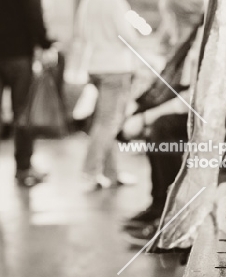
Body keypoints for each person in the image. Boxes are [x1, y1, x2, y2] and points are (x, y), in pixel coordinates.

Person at [121, 0, 204, 245]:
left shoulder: (201, 40)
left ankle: (169, 215)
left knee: (162, 127)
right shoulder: (189, 39)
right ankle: (159, 204)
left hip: (208, 112)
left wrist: (146, 117)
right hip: (196, 106)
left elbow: (195, 98)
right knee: (154, 123)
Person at [76, 0, 138, 188]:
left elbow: (81, 33)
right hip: (116, 67)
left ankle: (111, 172)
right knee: (109, 122)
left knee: (105, 120)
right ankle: (91, 170)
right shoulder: (116, 3)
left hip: (95, 65)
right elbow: (127, 35)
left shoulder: (86, 3)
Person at [0, 0, 56, 187]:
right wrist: (45, 44)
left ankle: (24, 167)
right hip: (19, 56)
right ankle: (24, 168)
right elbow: (34, 17)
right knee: (23, 113)